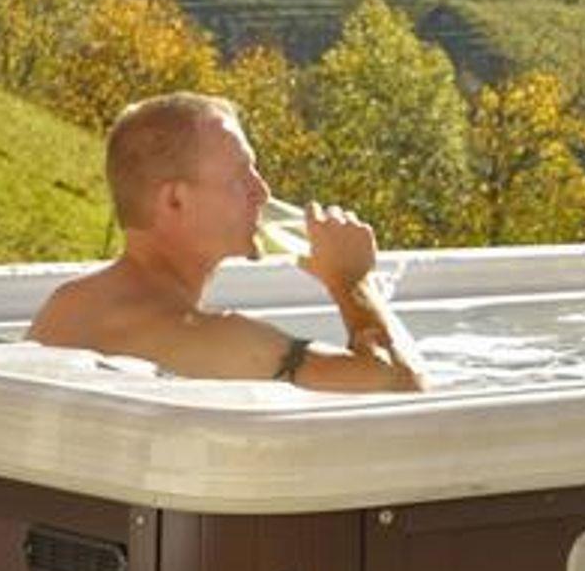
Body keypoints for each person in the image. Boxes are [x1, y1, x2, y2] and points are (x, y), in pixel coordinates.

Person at [28, 93, 424, 391]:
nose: (262, 192)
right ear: (175, 200)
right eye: (240, 176)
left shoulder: (66, 308)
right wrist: (354, 283)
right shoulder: (220, 340)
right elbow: (404, 389)